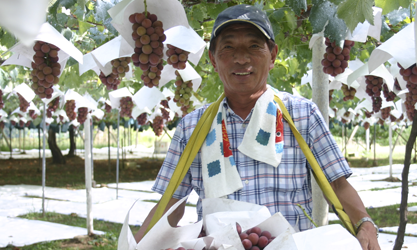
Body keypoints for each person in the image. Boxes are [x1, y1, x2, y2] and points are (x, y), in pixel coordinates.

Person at [135, 4, 380, 250]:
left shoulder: (303, 115)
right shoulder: (192, 127)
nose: (241, 58)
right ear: (213, 59)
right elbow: (170, 203)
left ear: (272, 56)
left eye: (254, 46)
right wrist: (137, 244)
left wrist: (365, 223)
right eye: (228, 47)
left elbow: (337, 184)